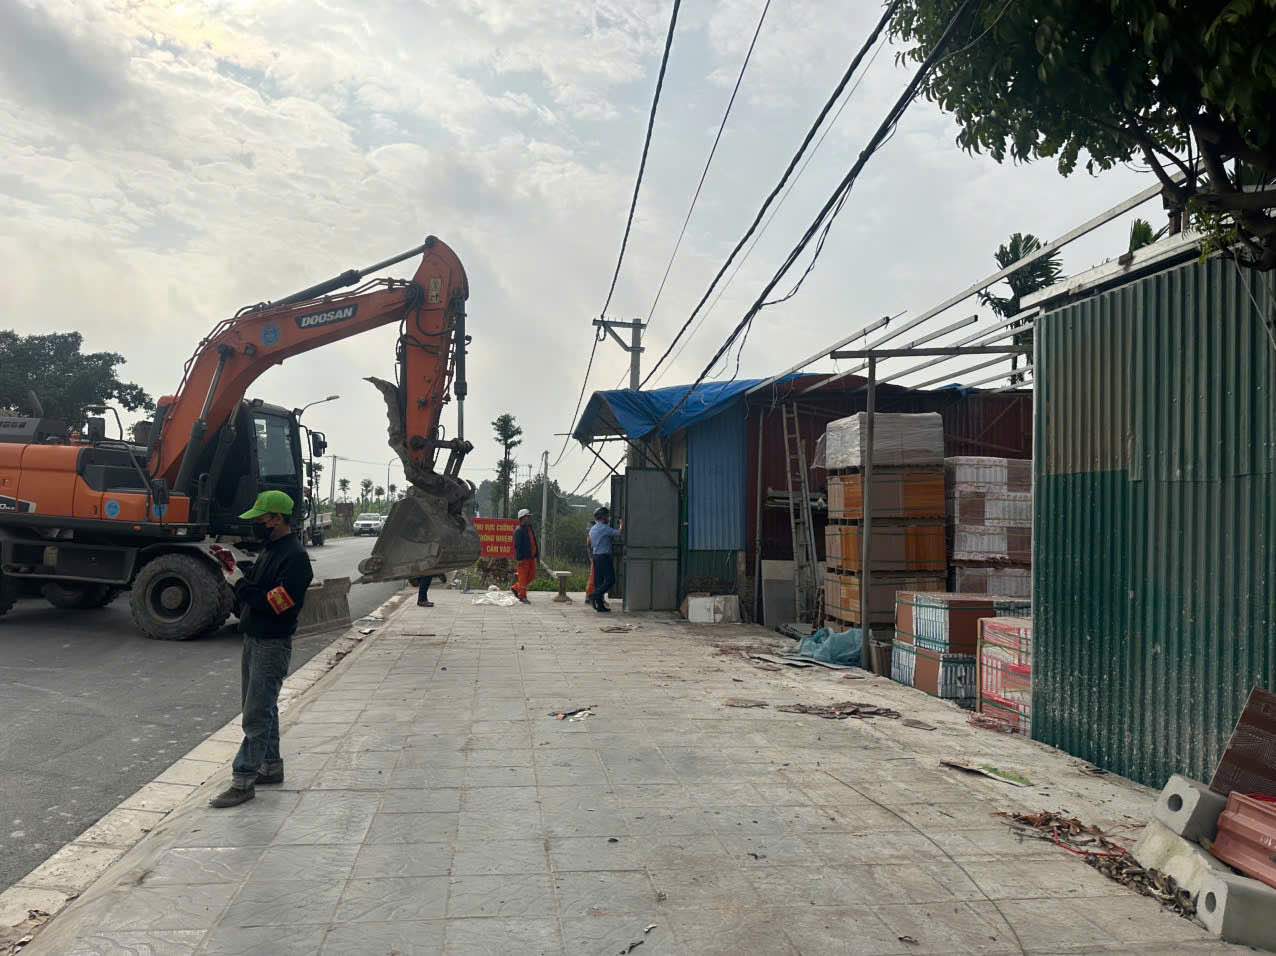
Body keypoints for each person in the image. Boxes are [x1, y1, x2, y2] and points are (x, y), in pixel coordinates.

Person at [209, 490, 313, 809]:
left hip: (271, 642)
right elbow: (256, 586)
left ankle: (243, 779)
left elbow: (275, 604)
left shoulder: (295, 559)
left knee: (257, 711)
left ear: (277, 519)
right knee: (260, 706)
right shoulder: (272, 549)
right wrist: (234, 568)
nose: (256, 525)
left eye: (260, 519)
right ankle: (270, 766)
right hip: (254, 638)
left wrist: (239, 582)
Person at [588, 506, 622, 613]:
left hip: (596, 556)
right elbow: (618, 533)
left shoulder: (593, 529)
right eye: (607, 516)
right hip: (604, 557)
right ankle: (595, 595)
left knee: (599, 581)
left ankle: (600, 606)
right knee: (610, 580)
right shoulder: (604, 528)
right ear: (602, 517)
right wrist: (622, 524)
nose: (608, 518)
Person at [512, 508, 538, 604]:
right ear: (522, 518)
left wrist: (536, 554)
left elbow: (533, 542)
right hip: (523, 558)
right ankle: (522, 596)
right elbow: (517, 546)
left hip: (531, 557)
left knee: (532, 575)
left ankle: (515, 588)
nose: (529, 518)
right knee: (523, 578)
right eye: (528, 516)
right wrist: (519, 559)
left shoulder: (529, 528)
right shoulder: (519, 531)